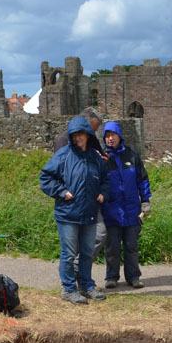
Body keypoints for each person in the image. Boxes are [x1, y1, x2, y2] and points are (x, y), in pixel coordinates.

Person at [39, 115, 110, 304]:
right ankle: (68, 289)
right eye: (74, 135)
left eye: (80, 135)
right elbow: (45, 178)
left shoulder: (95, 157)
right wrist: (61, 192)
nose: (77, 138)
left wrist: (103, 193)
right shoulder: (63, 155)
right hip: (68, 213)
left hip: (89, 212)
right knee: (69, 253)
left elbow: (105, 180)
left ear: (88, 135)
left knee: (87, 252)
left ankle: (87, 286)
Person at [100, 120, 151, 289]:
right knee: (112, 248)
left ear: (119, 136)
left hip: (131, 210)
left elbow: (142, 179)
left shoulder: (132, 155)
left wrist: (145, 201)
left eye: (112, 135)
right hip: (111, 210)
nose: (110, 139)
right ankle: (111, 277)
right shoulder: (102, 158)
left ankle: (133, 277)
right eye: (107, 136)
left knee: (131, 246)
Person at [54, 108, 108, 258]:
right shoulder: (64, 141)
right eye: (93, 129)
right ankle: (75, 277)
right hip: (72, 199)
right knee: (74, 243)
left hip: (90, 196)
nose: (92, 134)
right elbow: (59, 171)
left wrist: (101, 161)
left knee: (99, 233)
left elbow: (98, 162)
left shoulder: (90, 140)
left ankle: (79, 269)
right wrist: (63, 192)